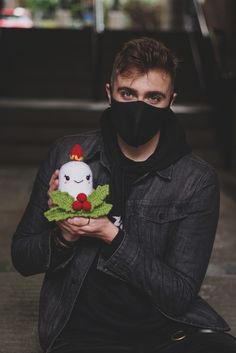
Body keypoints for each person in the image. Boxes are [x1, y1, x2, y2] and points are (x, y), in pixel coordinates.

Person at [11, 37, 236, 353]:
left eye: (153, 97)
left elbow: (178, 295)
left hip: (166, 330)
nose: (139, 107)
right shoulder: (67, 156)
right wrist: (65, 236)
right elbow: (22, 257)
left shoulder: (196, 180)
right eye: (127, 93)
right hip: (84, 332)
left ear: (171, 100)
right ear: (109, 93)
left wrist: (109, 234)